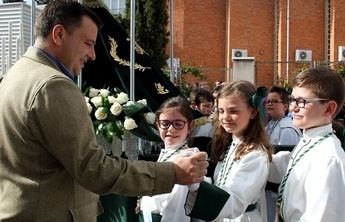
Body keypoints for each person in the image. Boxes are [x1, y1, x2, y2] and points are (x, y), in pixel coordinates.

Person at [0, 1, 208, 221]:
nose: (93, 55)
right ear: (59, 34)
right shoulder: (53, 85)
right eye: (88, 43)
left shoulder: (12, 76)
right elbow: (94, 169)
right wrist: (172, 172)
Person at [185, 80, 273, 222]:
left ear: (253, 112)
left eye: (233, 111)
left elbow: (236, 199)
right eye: (221, 111)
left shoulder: (255, 154)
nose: (225, 117)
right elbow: (222, 184)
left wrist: (196, 184)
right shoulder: (232, 144)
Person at [269, 67, 345, 221]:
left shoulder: (329, 159)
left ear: (329, 108)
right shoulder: (309, 140)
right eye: (292, 99)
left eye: (302, 101)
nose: (293, 107)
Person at [139, 96, 197, 222]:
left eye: (178, 124)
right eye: (165, 123)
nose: (171, 129)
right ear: (157, 125)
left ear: (190, 126)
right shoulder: (168, 152)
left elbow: (177, 206)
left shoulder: (187, 158)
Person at [263, 85, 301, 222]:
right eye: (267, 101)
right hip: (266, 186)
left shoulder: (288, 129)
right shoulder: (268, 126)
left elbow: (286, 164)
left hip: (278, 189)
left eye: (274, 101)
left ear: (285, 106)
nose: (270, 104)